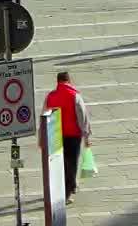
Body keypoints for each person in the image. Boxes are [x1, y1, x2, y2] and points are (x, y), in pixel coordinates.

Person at [42, 72, 92, 202]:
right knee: (71, 164)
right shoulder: (75, 95)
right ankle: (67, 193)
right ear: (69, 80)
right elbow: (82, 116)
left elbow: (43, 115)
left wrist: (42, 138)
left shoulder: (50, 96)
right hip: (73, 135)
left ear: (57, 82)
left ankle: (59, 189)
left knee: (59, 164)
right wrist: (86, 135)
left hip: (55, 134)